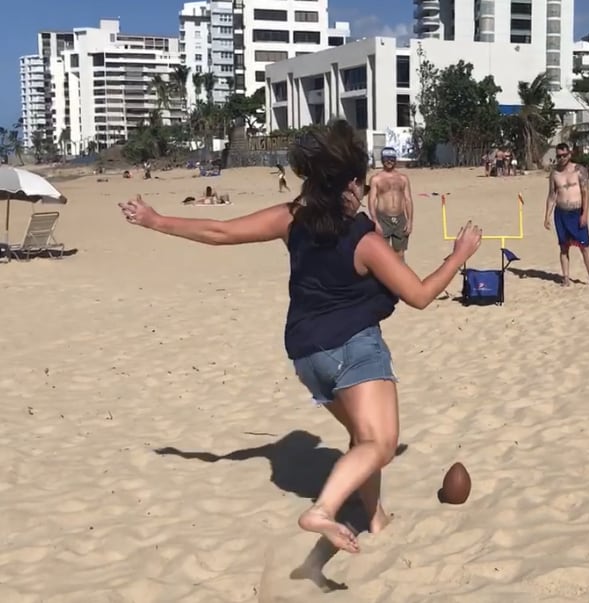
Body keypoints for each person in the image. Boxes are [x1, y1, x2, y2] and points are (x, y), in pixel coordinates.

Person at [118, 119, 483, 554]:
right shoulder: (364, 241)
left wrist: (155, 219)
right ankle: (323, 510)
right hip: (353, 349)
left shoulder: (292, 219)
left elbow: (221, 232)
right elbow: (419, 295)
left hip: (308, 357)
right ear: (352, 184)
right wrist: (458, 255)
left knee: (362, 435)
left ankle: (376, 519)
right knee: (380, 443)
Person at [544, 142, 589, 288]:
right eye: (559, 156)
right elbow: (552, 196)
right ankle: (566, 278)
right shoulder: (554, 174)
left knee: (584, 246)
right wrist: (547, 216)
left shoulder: (579, 170)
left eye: (564, 155)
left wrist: (584, 214)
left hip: (576, 212)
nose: (561, 158)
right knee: (563, 247)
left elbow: (586, 194)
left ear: (569, 154)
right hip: (561, 213)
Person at [367, 147, 414, 260]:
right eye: (386, 158)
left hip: (400, 219)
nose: (389, 161)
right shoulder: (376, 179)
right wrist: (375, 221)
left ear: (395, 160)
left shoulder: (403, 178)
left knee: (400, 254)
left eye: (392, 159)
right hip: (383, 219)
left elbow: (408, 199)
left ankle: (400, 272)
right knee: (383, 254)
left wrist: (409, 221)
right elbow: (371, 200)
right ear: (382, 160)